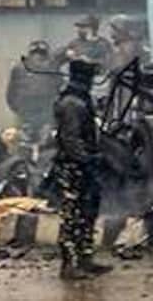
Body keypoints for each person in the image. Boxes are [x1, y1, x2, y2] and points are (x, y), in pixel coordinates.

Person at [52, 58, 112, 280]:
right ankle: (70, 264)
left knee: (87, 212)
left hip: (83, 165)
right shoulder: (72, 103)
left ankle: (85, 258)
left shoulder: (80, 99)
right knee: (72, 215)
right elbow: (71, 140)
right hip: (73, 166)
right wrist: (88, 160)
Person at [5, 40, 63, 139]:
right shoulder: (19, 68)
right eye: (35, 54)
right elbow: (11, 93)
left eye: (40, 55)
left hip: (41, 112)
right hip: (30, 112)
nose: (37, 58)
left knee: (45, 138)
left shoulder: (52, 67)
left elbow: (10, 94)